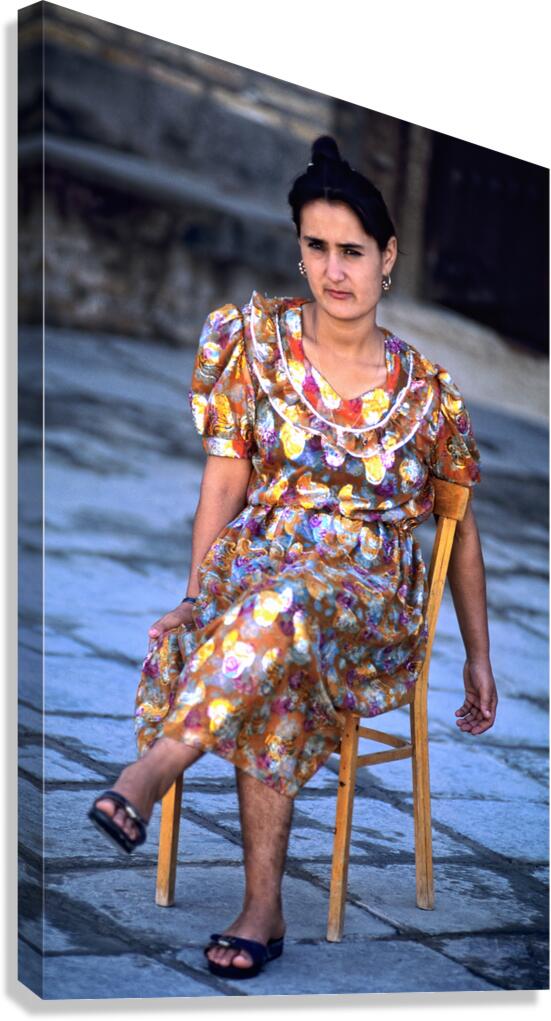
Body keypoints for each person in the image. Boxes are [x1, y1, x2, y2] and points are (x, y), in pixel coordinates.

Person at [88, 134, 498, 980]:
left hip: (367, 600)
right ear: (299, 248)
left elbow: (460, 526)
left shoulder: (427, 393)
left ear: (387, 258)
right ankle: (261, 910)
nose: (333, 270)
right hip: (261, 579)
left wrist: (478, 658)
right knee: (273, 624)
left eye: (352, 251)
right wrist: (199, 594)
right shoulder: (256, 347)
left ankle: (155, 767)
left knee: (288, 606)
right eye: (316, 247)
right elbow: (223, 486)